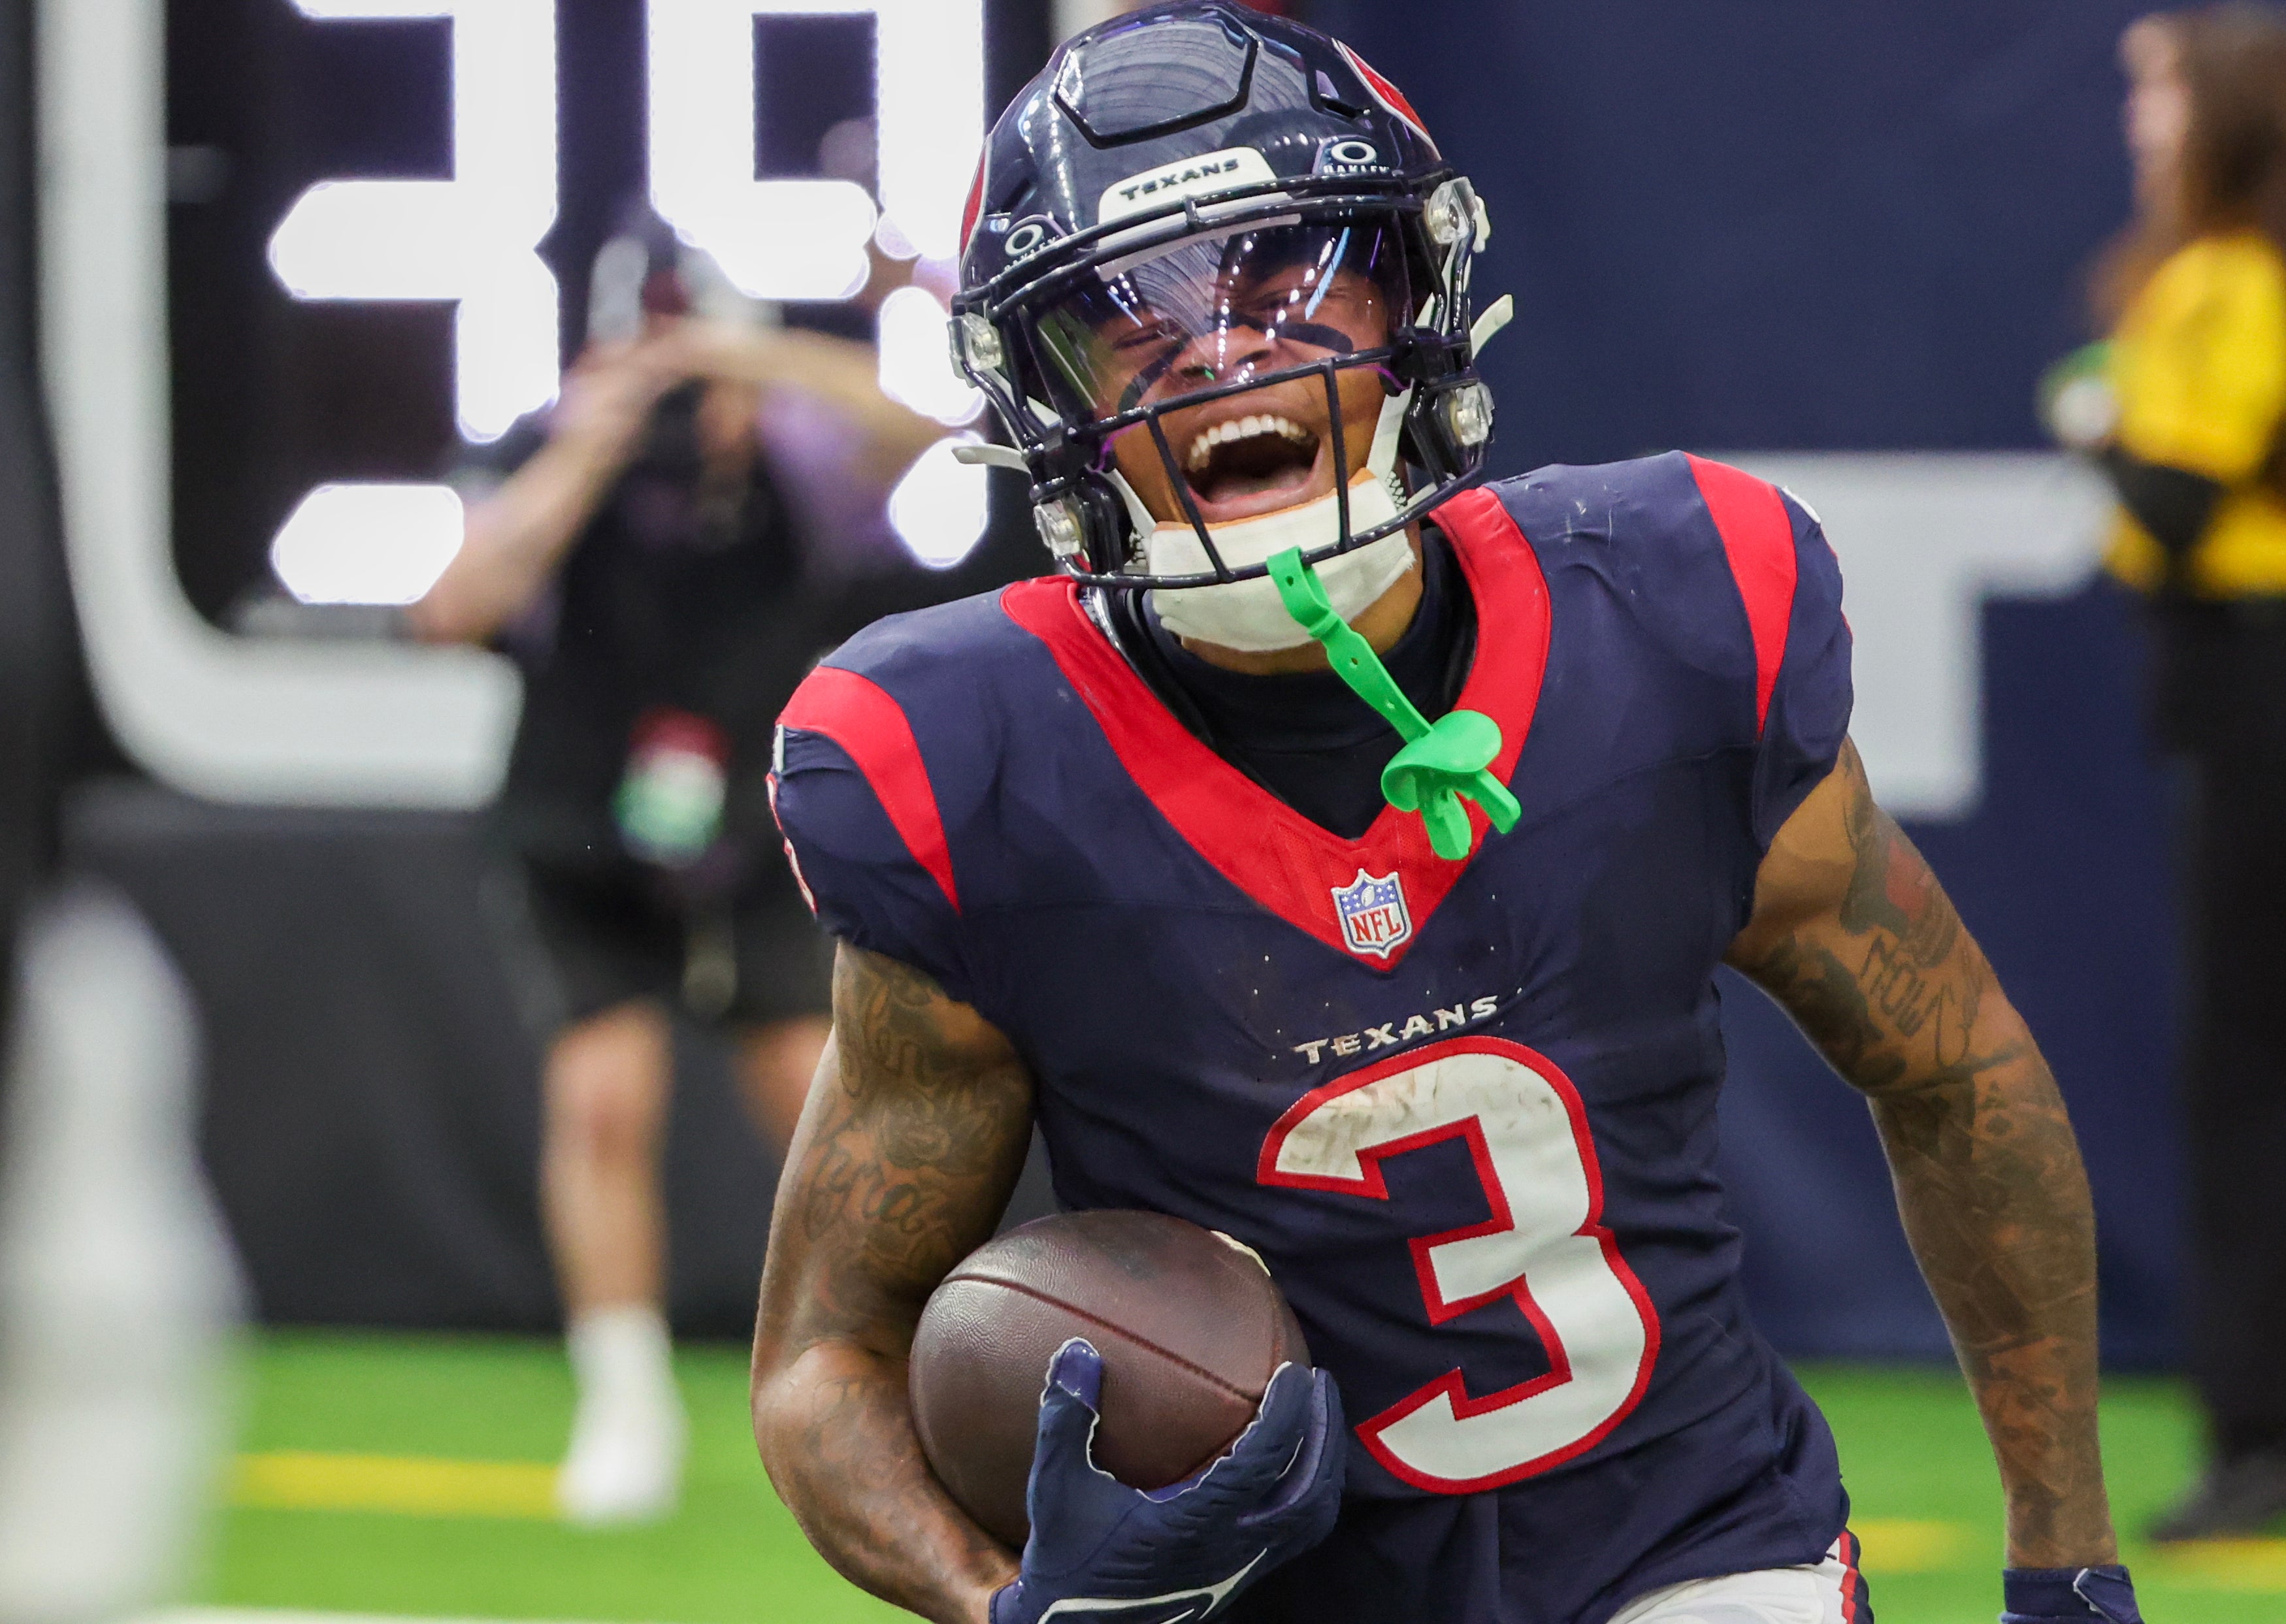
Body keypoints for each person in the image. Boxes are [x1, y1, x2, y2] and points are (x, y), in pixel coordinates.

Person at [753, 7, 2141, 1623]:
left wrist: (2066, 1551)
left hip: (1690, 1546)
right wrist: (1011, 1600)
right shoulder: (970, 766)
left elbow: (1955, 1065)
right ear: (1042, 394)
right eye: (1127, 322)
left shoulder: (1668, 613)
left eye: (1286, 276)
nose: (1223, 354)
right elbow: (819, 1358)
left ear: (1414, 294)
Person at [409, 211, 943, 1523]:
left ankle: (908, 1373)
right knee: (602, 1100)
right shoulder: (545, 453)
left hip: (756, 830)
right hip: (582, 828)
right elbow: (449, 610)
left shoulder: (791, 458)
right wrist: (591, 443)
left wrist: (748, 362)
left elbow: (919, 429)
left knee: (822, 1106)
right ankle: (623, 1396)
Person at [2049, 3, 2286, 1544]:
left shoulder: (2227, 278)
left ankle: (2259, 1438)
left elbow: (2187, 497)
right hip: (2232, 681)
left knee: (2243, 1072)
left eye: (2157, 99)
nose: (2141, 126)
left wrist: (2094, 420)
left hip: (2253, 675)